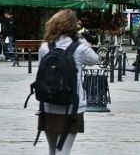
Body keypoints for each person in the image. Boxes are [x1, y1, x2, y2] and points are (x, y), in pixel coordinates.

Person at [36, 9, 99, 155]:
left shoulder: (45, 47)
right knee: (63, 151)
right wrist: (82, 40)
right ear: (73, 26)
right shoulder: (79, 48)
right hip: (72, 106)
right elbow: (95, 59)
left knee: (52, 151)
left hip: (47, 104)